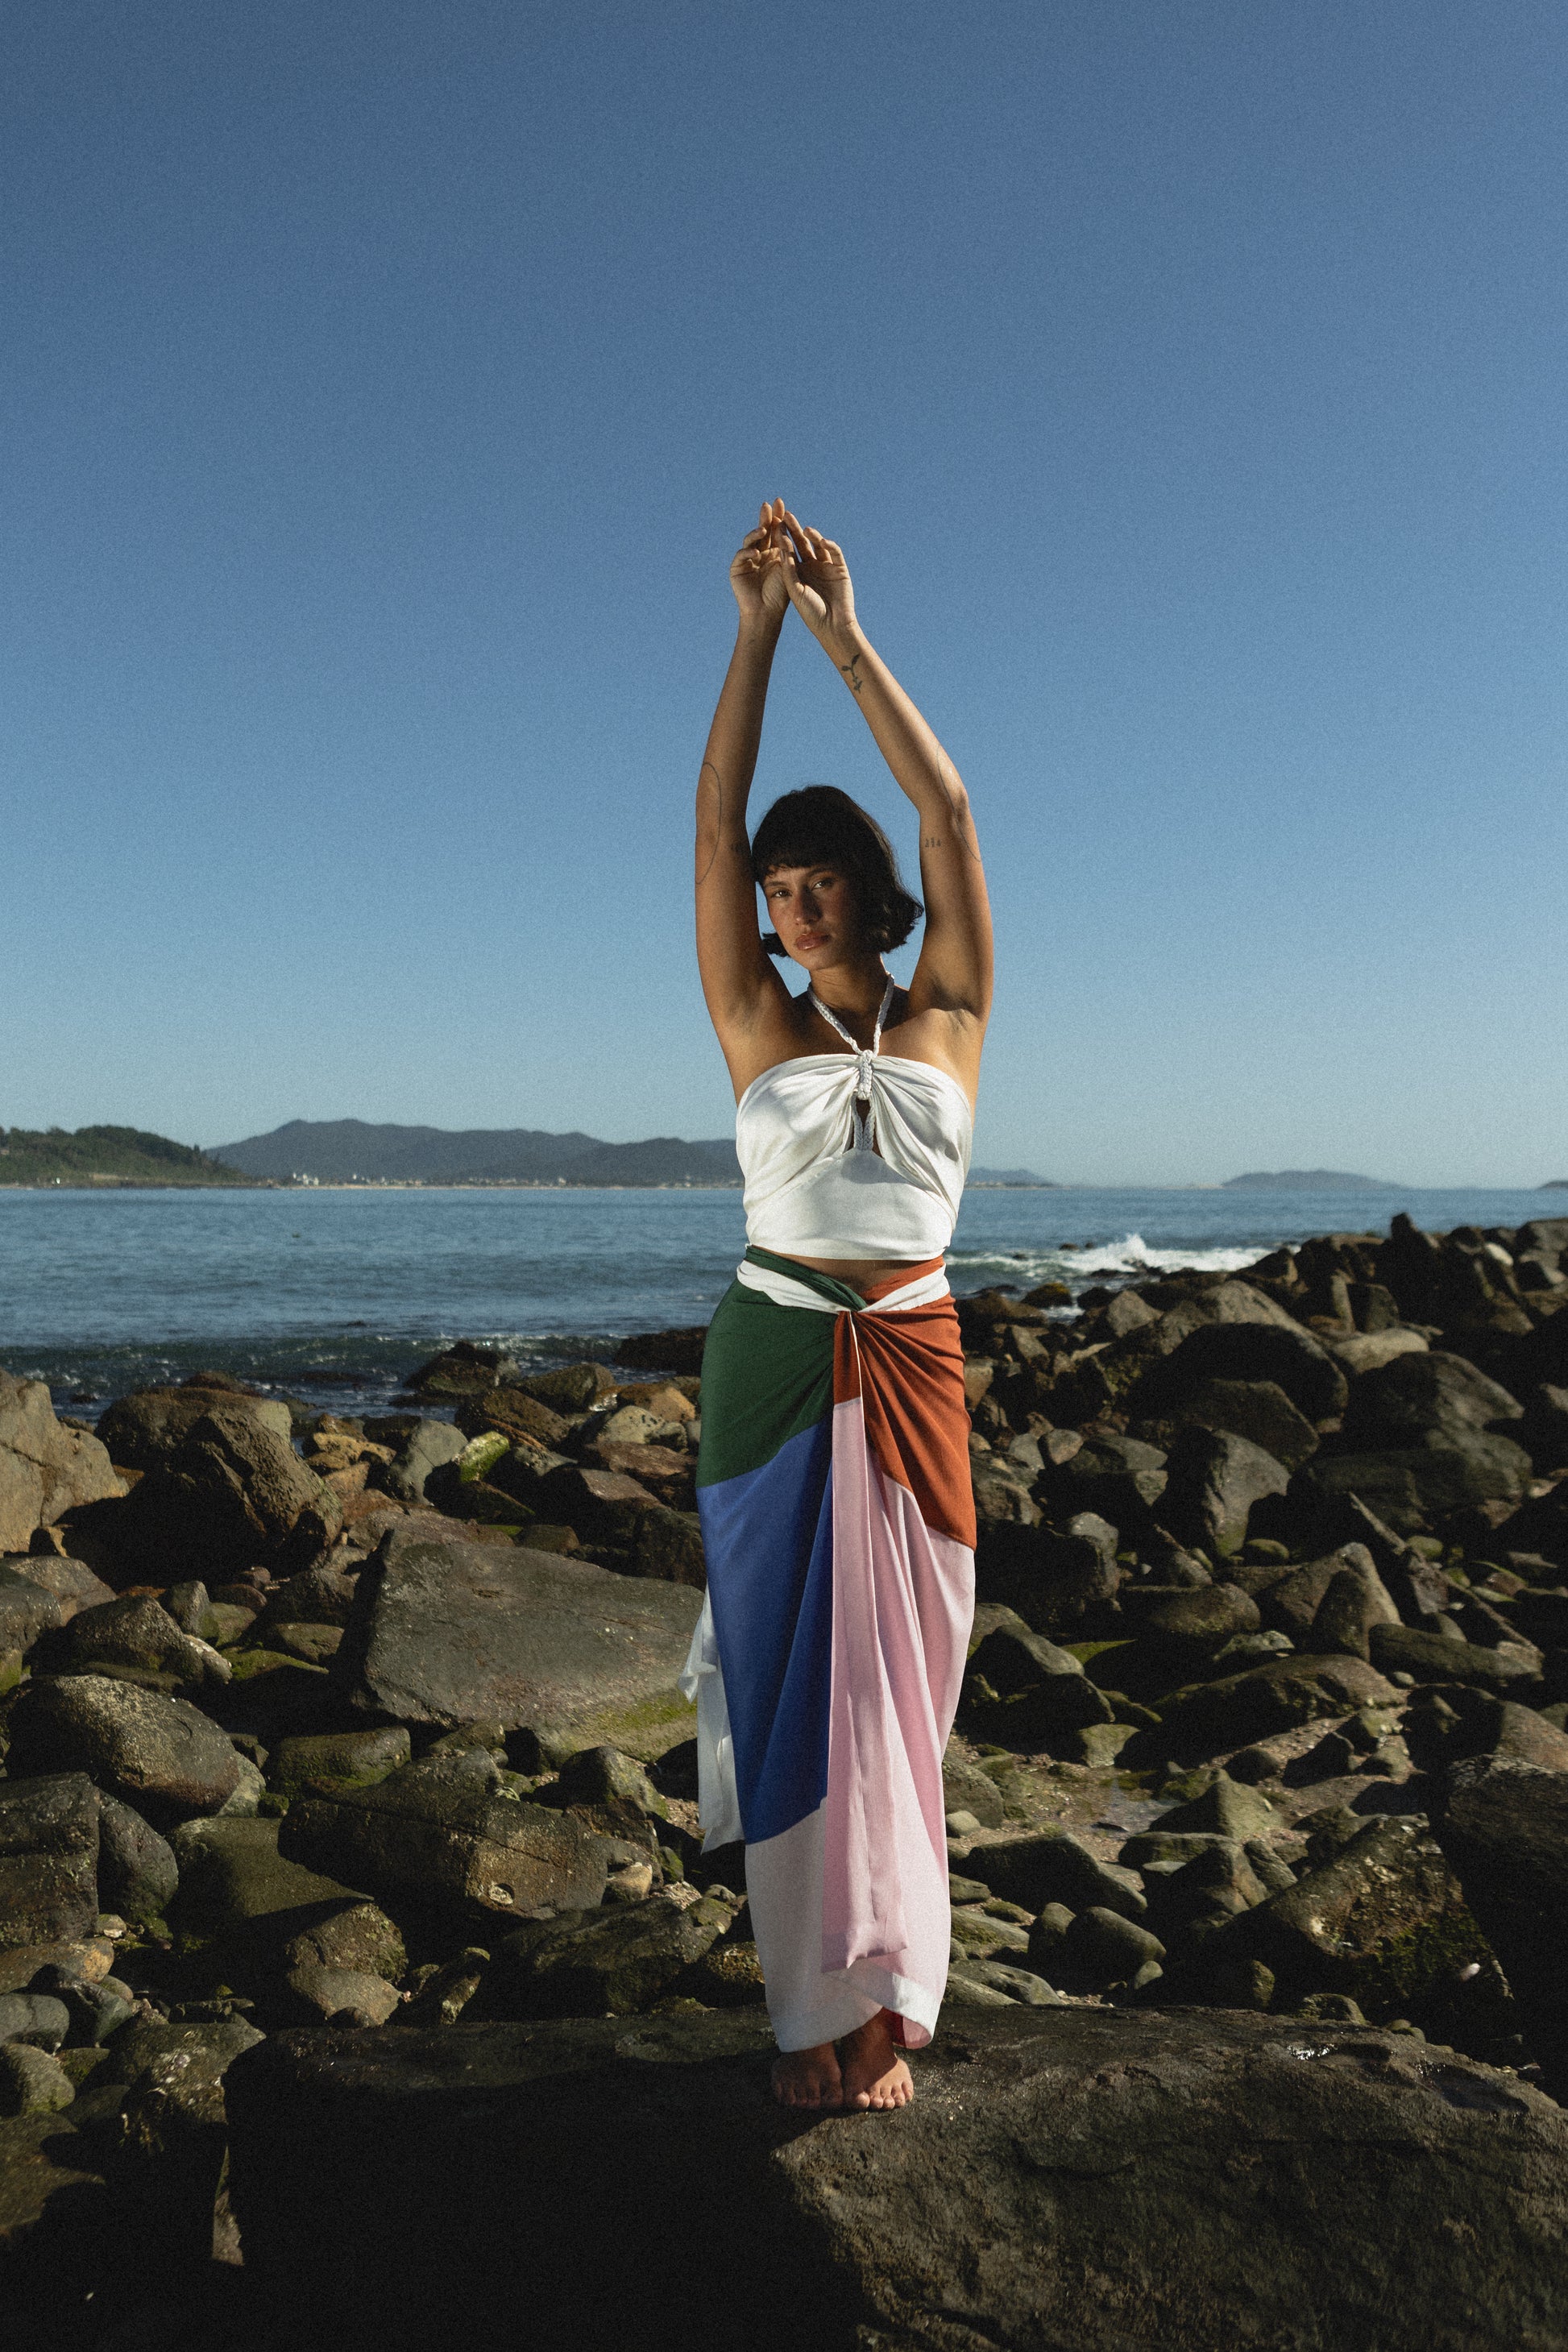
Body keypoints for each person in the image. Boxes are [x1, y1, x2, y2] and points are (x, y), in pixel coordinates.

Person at [684, 499, 993, 2112]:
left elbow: (948, 807)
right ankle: (814, 2016)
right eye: (778, 889)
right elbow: (712, 816)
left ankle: (895, 1988)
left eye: (820, 884)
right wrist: (749, 634)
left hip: (916, 1361)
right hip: (774, 1360)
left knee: (903, 1690)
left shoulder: (951, 1014)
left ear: (874, 894)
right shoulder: (757, 1018)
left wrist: (840, 632)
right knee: (789, 1687)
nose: (794, 907)